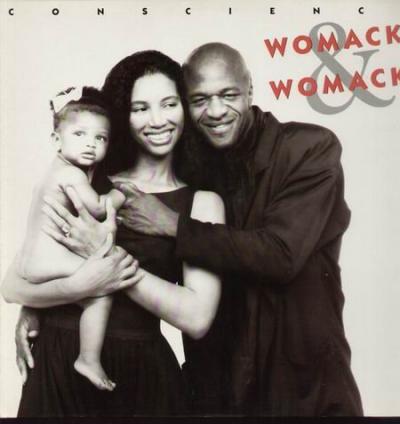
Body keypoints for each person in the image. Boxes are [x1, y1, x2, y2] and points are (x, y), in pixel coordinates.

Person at [36, 42, 363, 416]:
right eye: (200, 100)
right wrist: (42, 302)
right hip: (218, 377)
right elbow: (31, 265)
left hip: (299, 371)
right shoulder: (192, 162)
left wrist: (170, 225)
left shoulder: (308, 147)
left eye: (228, 95)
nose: (216, 111)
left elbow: (281, 254)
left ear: (250, 90)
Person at [2, 50, 224, 416]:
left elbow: (196, 318)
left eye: (169, 104)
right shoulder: (86, 178)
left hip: (139, 374)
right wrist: (53, 298)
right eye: (140, 108)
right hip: (56, 362)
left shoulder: (201, 202)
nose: (158, 120)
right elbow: (13, 284)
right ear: (123, 115)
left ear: (185, 108)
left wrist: (106, 261)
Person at [16, 86, 127, 392]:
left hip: (31, 262)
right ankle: (88, 358)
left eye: (100, 138)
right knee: (101, 289)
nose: (91, 144)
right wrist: (118, 196)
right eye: (80, 134)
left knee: (87, 291)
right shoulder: (72, 175)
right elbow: (97, 207)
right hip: (47, 261)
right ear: (56, 140)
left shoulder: (53, 171)